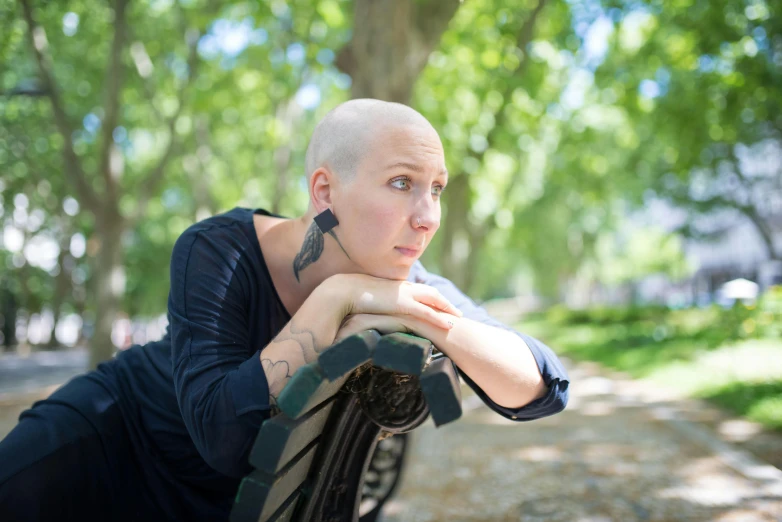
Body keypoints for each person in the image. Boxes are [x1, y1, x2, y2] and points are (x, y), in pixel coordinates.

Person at [0, 99, 569, 521]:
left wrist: (424, 316)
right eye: (402, 183)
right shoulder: (215, 250)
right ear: (324, 192)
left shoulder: (402, 281)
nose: (428, 216)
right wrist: (332, 299)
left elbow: (544, 386)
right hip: (110, 438)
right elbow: (221, 431)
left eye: (437, 188)